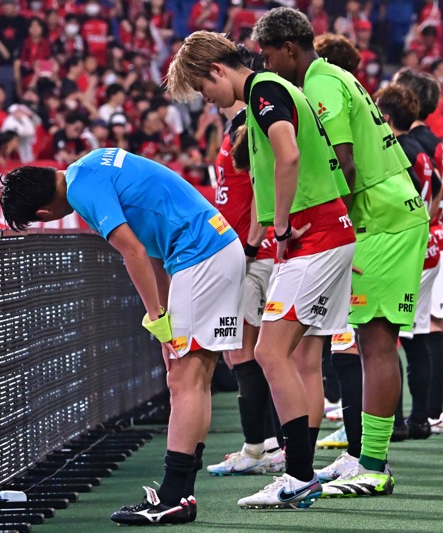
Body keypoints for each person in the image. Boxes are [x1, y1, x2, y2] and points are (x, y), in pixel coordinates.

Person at [0, 148, 245, 526]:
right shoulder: (90, 163)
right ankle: (180, 494)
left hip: (202, 256)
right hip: (211, 249)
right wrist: (165, 317)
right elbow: (158, 253)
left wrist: (157, 318)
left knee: (184, 380)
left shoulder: (82, 190)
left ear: (43, 215)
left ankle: (172, 497)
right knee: (194, 378)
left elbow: (134, 251)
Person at [167, 30, 355, 510]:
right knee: (298, 359)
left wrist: (283, 220)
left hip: (312, 236)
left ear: (216, 71)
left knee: (271, 353)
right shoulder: (268, 92)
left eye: (204, 90)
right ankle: (300, 473)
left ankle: (296, 476)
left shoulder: (264, 90)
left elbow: (288, 155)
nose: (207, 99)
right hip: (325, 232)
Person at [249, 9, 429, 498]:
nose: (267, 68)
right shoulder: (329, 77)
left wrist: (328, 224)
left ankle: (374, 465)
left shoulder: (320, 83)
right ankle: (362, 457)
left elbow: (344, 165)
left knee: (375, 342)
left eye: (268, 56)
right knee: (364, 342)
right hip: (381, 213)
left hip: (382, 218)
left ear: (289, 48)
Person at [204, 45, 285, 477]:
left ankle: (264, 447)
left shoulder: (251, 121)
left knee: (247, 351)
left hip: (254, 254)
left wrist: (251, 247)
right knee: (244, 352)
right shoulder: (240, 121)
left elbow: (262, 187)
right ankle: (263, 444)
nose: (204, 97)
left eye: (204, 86)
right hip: (248, 250)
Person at [374, 83, 442, 442]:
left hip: (405, 248)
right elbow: (440, 190)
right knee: (416, 336)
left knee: (388, 338)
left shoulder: (395, 148)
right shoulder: (421, 147)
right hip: (428, 245)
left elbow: (402, 195)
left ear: (384, 117)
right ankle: (421, 418)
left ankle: (399, 421)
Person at [393, 70, 443, 435]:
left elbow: (425, 197)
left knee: (422, 328)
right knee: (431, 325)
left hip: (424, 239)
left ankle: (428, 413)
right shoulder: (435, 141)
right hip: (440, 236)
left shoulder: (412, 144)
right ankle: (432, 412)